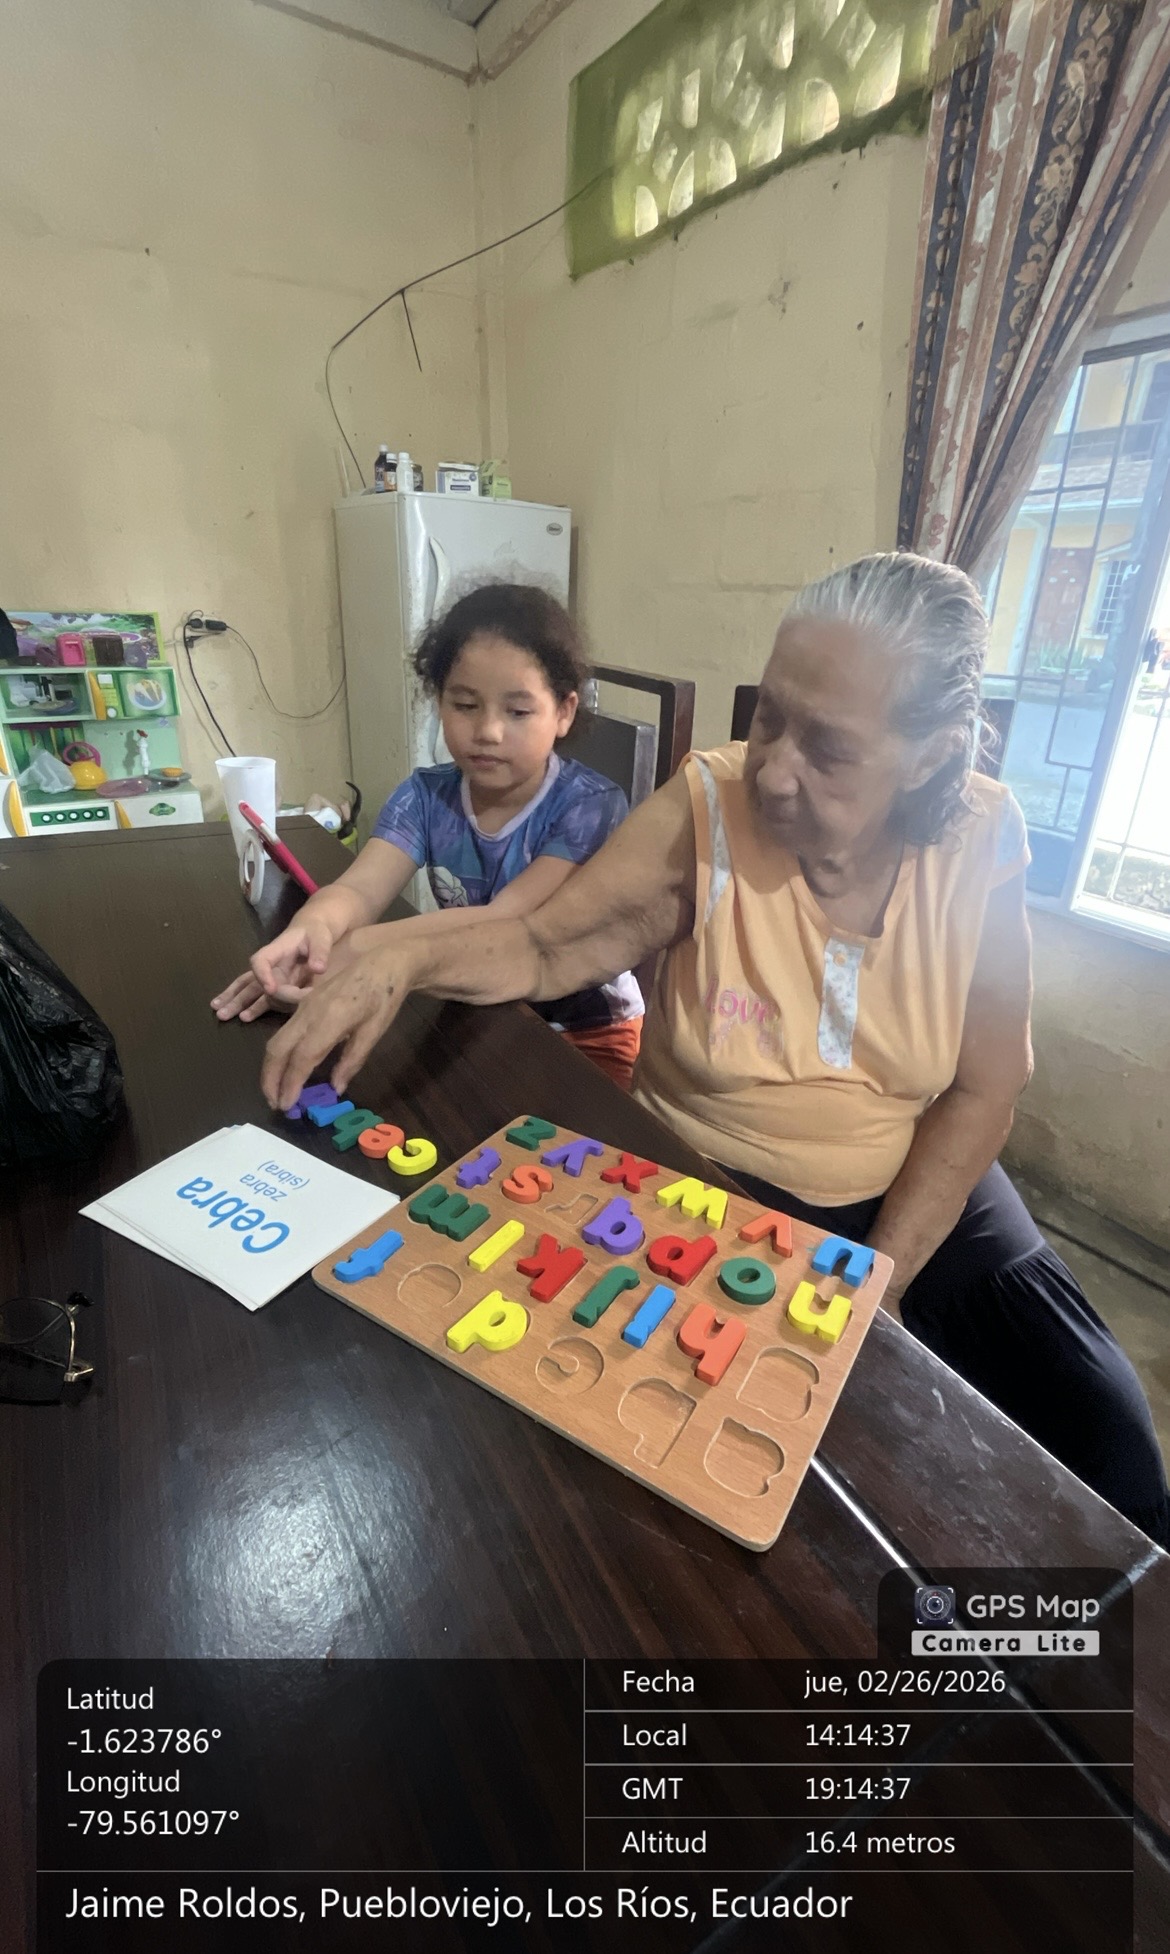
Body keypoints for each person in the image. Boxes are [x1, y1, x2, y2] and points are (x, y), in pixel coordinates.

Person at [258, 552, 1170, 1545]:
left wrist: (879, 1279)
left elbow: (987, 1087)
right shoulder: (711, 807)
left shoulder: (983, 835)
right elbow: (541, 943)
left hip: (922, 1174)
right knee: (772, 1491)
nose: (773, 768)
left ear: (928, 757)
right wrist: (396, 956)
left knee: (1113, 1455)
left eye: (830, 749)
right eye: (770, 716)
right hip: (723, 1181)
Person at [211, 583, 643, 1088]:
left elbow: (507, 921)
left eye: (518, 712)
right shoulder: (424, 796)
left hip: (587, 1032)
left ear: (564, 712)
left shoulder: (589, 805)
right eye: (465, 704)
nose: (488, 731)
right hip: (474, 1009)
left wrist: (361, 950)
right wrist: (313, 934)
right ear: (439, 701)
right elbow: (359, 890)